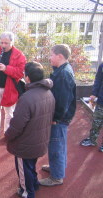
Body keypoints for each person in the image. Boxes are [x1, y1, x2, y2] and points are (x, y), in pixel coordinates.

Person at [5, 62, 55, 198]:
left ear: (27, 78)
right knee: (31, 164)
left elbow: (17, 124)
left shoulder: (26, 98)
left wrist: (7, 136)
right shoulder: (48, 92)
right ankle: (34, 183)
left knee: (23, 167)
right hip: (40, 139)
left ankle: (27, 191)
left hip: (25, 143)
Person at [39, 44, 76, 186]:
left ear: (60, 56)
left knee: (56, 145)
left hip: (59, 118)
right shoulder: (60, 70)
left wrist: (56, 118)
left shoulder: (64, 74)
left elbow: (63, 100)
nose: (50, 58)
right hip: (60, 116)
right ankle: (57, 168)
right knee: (58, 143)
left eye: (51, 55)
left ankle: (57, 177)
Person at [0, 31, 26, 138]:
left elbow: (20, 72)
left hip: (10, 88)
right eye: (1, 42)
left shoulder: (19, 55)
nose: (3, 45)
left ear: (12, 42)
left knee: (9, 113)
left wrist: (6, 68)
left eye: (6, 43)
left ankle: (8, 133)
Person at [80, 62, 103, 152]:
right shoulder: (102, 66)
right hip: (101, 101)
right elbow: (98, 80)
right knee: (96, 121)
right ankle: (92, 140)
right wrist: (94, 93)